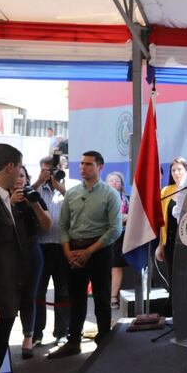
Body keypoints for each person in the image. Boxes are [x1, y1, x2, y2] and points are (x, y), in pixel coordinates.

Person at [48, 151, 122, 359]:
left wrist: (89, 251)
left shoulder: (110, 194)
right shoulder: (71, 193)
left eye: (88, 164)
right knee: (76, 297)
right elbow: (62, 226)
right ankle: (73, 342)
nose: (83, 167)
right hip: (72, 251)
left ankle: (104, 340)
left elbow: (115, 229)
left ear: (100, 167)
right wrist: (68, 253)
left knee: (102, 297)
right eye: (81, 163)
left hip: (99, 251)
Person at [0, 143, 28, 373]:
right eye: (19, 167)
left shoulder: (6, 199)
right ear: (9, 167)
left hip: (8, 295)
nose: (21, 173)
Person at [11, 166, 51, 359]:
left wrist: (34, 204)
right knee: (7, 296)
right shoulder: (1, 197)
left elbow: (47, 225)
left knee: (29, 295)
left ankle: (28, 337)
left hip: (31, 252)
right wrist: (9, 203)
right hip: (7, 254)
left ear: (27, 179)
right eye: (16, 175)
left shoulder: (33, 196)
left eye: (22, 176)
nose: (19, 179)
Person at [32, 156, 71, 347]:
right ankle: (36, 332)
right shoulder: (36, 188)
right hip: (41, 247)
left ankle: (62, 332)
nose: (51, 174)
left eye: (54, 169)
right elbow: (26, 196)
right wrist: (40, 180)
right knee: (38, 290)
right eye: (47, 170)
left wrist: (60, 185)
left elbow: (77, 205)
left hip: (62, 247)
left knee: (63, 291)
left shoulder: (69, 189)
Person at [155, 157, 187, 311]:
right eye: (173, 170)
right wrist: (160, 245)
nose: (176, 173)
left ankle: (186, 308)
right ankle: (174, 307)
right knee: (172, 276)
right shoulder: (166, 192)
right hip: (169, 242)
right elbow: (161, 221)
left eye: (179, 169)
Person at [106, 172, 129, 310]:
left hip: (121, 236)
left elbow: (131, 216)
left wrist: (128, 216)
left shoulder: (127, 199)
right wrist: (121, 217)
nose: (115, 183)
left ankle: (113, 297)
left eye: (117, 181)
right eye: (111, 180)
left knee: (117, 266)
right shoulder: (102, 198)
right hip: (105, 236)